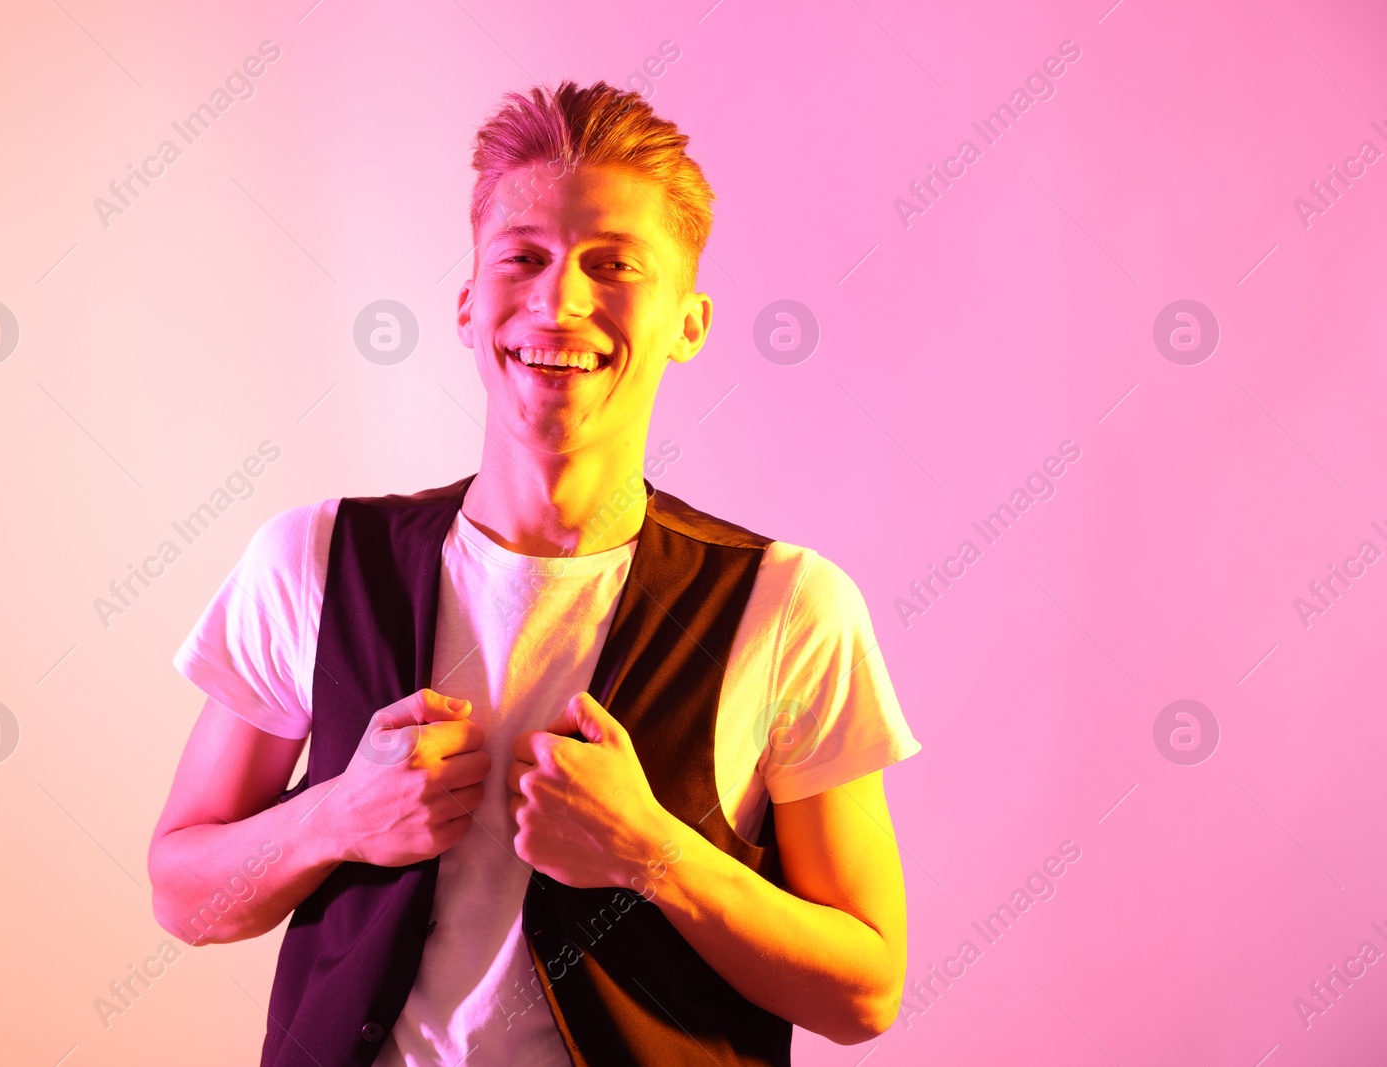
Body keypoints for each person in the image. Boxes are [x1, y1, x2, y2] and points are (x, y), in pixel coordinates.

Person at [148, 79, 921, 1067]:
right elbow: (183, 895)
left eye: (613, 264)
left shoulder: (791, 604)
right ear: (470, 304)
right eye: (523, 257)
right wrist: (336, 813)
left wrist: (652, 853)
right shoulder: (309, 558)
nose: (558, 300)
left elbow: (864, 988)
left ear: (689, 322)